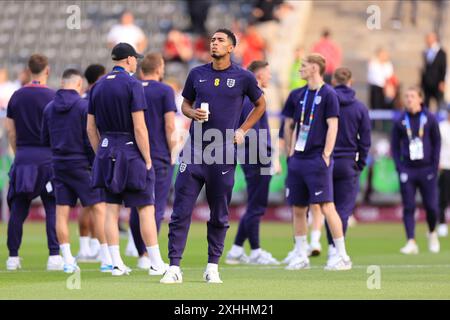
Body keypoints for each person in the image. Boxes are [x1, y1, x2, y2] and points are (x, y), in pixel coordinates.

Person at [160, 29, 266, 284]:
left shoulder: (244, 77)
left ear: (231, 47)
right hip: (194, 149)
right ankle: (174, 266)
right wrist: (191, 112)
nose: (214, 43)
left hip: (222, 151)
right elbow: (184, 104)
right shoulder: (197, 73)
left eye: (220, 40)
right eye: (212, 40)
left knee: (219, 213)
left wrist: (242, 130)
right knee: (181, 210)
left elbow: (261, 104)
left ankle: (212, 266)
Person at [87, 42, 166, 276]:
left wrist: (99, 152)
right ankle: (155, 263)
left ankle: (116, 263)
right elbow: (140, 127)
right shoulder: (133, 84)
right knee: (145, 208)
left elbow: (90, 128)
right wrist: (148, 158)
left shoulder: (98, 86)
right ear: (129, 59)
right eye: (135, 59)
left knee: (111, 209)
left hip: (106, 148)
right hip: (130, 150)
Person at [282, 53, 352, 271]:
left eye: (303, 66)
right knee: (298, 209)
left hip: (316, 159)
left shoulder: (329, 94)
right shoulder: (298, 94)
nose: (300, 69)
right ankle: (301, 255)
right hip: (298, 160)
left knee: (327, 206)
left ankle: (342, 256)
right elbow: (293, 125)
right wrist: (291, 153)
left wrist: (327, 154)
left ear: (314, 68)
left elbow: (333, 125)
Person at [41, 69, 113, 273]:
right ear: (79, 84)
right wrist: (95, 163)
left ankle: (67, 260)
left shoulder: (48, 108)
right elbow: (89, 138)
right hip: (83, 166)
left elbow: (44, 139)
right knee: (99, 210)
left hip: (59, 165)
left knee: (61, 213)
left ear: (62, 83)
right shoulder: (84, 106)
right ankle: (106, 259)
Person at [5, 54, 63, 271]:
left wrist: (19, 153)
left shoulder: (17, 96)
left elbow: (10, 130)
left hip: (24, 158)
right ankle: (54, 256)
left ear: (29, 70)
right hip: (48, 158)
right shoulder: (53, 96)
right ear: (46, 70)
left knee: (18, 209)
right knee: (52, 207)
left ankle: (12, 257)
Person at [225, 60, 279, 265]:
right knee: (257, 205)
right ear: (257, 75)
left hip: (252, 155)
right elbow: (253, 132)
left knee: (255, 204)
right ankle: (254, 251)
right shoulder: (253, 98)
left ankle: (237, 249)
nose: (270, 77)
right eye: (267, 73)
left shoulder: (246, 97)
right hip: (256, 156)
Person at [128, 53, 178, 270]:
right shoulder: (165, 90)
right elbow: (169, 125)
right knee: (155, 207)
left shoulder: (133, 87)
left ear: (141, 70)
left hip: (134, 154)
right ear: (159, 69)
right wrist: (173, 150)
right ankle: (150, 255)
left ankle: (141, 253)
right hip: (158, 154)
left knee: (135, 206)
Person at [324, 68, 371, 266]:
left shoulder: (326, 103)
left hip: (327, 161)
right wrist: (359, 164)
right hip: (348, 162)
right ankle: (337, 250)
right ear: (350, 82)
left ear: (334, 81)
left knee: (328, 208)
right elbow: (365, 141)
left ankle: (330, 248)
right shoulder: (360, 108)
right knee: (343, 210)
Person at [391, 86, 441, 254]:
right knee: (409, 206)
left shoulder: (430, 118)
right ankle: (411, 241)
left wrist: (434, 166)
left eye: (412, 96)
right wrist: (399, 167)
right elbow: (394, 147)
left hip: (427, 169)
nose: (409, 99)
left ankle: (432, 232)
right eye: (406, 96)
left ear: (420, 98)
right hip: (408, 169)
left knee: (431, 206)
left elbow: (436, 143)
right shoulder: (400, 120)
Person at [76, 63, 106, 262]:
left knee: (87, 206)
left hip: (79, 158)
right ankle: (96, 247)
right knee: (98, 204)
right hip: (93, 157)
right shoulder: (97, 98)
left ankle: (85, 247)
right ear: (99, 77)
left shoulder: (81, 99)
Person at [421, 32, 447, 111]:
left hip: (437, 82)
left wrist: (442, 81)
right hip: (427, 83)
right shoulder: (426, 52)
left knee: (439, 103)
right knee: (426, 103)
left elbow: (443, 67)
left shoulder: (441, 53)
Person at [437, 104, 450, 237]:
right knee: (444, 197)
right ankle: (441, 223)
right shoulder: (442, 127)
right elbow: (437, 146)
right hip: (445, 166)